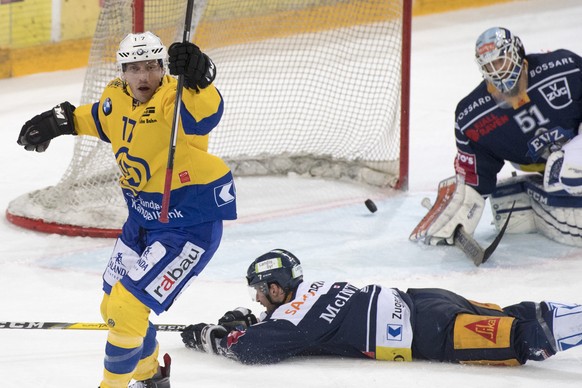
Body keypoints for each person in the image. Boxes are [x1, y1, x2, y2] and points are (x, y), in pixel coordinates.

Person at [17, 31, 237, 387]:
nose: (144, 77)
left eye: (152, 66)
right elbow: (100, 117)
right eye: (134, 68)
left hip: (189, 225)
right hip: (143, 221)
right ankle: (151, 377)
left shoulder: (174, 97)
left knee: (126, 306)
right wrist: (60, 121)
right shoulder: (116, 97)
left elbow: (203, 115)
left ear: (164, 67)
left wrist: (201, 77)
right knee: (111, 306)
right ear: (122, 72)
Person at [180, 249, 582, 366]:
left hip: (432, 334)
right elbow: (305, 328)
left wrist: (211, 336)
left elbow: (251, 349)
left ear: (274, 286)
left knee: (524, 340)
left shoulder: (293, 318)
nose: (255, 298)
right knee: (521, 314)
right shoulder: (320, 286)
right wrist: (256, 320)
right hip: (430, 299)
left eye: (257, 291)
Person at [410, 27, 582, 248]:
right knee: (526, 200)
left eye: (501, 61)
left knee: (569, 169)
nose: (497, 71)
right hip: (542, 165)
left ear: (517, 52)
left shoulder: (563, 67)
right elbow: (475, 175)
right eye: (489, 66)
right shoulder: (471, 116)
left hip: (573, 152)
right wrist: (466, 198)